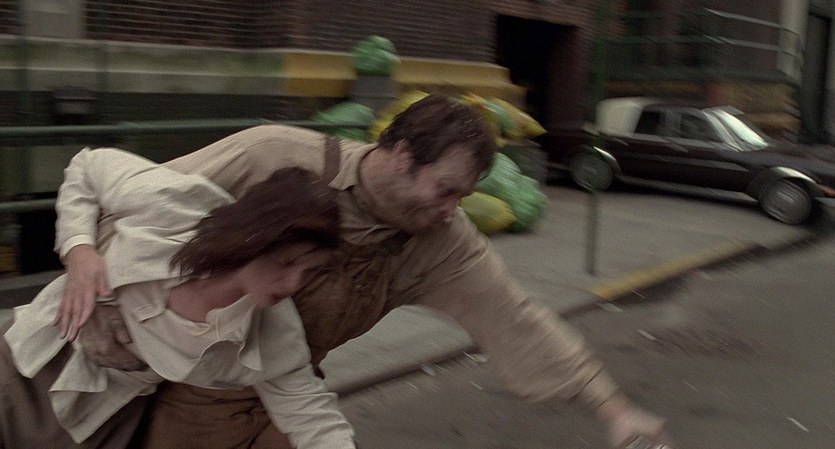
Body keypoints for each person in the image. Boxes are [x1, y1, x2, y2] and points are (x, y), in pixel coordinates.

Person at [55, 93, 674, 449]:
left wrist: (612, 408)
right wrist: (93, 277)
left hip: (288, 402)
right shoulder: (271, 156)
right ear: (401, 155)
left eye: (464, 197)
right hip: (179, 394)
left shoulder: (441, 243)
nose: (453, 210)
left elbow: (515, 321)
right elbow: (135, 207)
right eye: (445, 190)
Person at [0, 148, 357, 449]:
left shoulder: (274, 333)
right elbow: (88, 165)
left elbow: (311, 414)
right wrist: (79, 249)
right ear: (255, 238)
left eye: (310, 271)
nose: (294, 283)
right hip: (32, 351)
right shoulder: (178, 208)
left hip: (91, 414)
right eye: (286, 262)